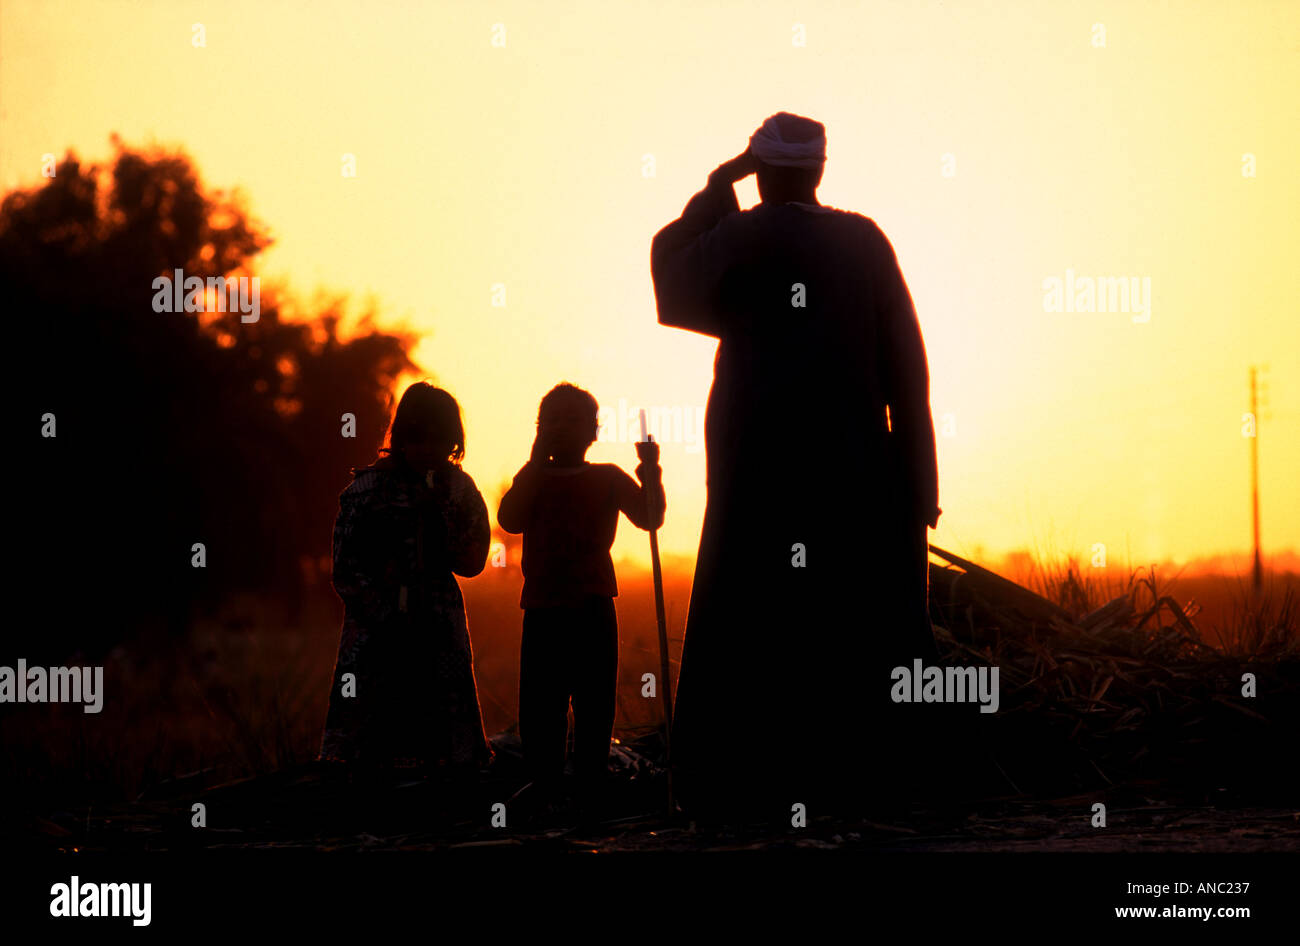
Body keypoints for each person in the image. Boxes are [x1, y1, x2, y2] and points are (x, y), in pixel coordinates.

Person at [650, 111, 941, 818]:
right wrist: (919, 479)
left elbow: (670, 273)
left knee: (751, 612)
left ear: (763, 171)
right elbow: (908, 365)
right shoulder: (865, 242)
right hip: (855, 470)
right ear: (819, 171)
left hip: (757, 471)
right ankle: (872, 776)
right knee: (859, 615)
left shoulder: (737, 238)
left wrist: (719, 186)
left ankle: (742, 778)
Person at [497, 383, 665, 816]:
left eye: (573, 420)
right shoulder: (531, 478)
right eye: (550, 420)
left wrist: (651, 471)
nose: (561, 427)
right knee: (540, 707)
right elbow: (510, 519)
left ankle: (590, 793)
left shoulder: (608, 477)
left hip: (592, 608)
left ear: (594, 431)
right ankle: (544, 791)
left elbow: (649, 517)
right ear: (537, 429)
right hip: (541, 609)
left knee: (594, 706)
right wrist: (534, 461)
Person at [319, 382, 494, 774]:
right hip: (374, 635)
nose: (428, 449)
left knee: (443, 738)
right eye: (418, 437)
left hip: (439, 628)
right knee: (371, 738)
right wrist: (384, 615)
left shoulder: (460, 491)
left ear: (453, 442)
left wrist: (437, 526)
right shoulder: (365, 491)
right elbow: (345, 569)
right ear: (400, 437)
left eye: (439, 439)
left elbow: (473, 560)